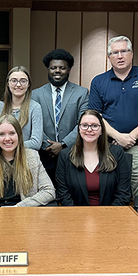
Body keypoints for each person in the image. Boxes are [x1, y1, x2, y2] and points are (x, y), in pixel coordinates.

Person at [89, 35, 138, 231]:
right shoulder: (99, 81)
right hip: (110, 150)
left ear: (132, 54)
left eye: (124, 51)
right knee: (110, 202)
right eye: (115, 53)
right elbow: (95, 115)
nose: (120, 56)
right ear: (109, 57)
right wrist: (119, 136)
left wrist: (131, 136)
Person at [31, 48, 89, 183]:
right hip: (44, 155)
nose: (57, 71)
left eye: (62, 68)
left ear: (69, 70)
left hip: (73, 154)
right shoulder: (35, 94)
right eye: (53, 68)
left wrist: (63, 145)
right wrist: (48, 145)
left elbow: (83, 123)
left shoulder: (81, 93)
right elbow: (34, 123)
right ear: (48, 69)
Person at [56, 110, 131, 206]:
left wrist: (109, 216)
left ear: (101, 131)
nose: (89, 129)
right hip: (76, 215)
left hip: (110, 215)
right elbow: (63, 193)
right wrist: (76, 216)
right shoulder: (65, 155)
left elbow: (123, 194)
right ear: (79, 129)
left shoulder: (117, 153)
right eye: (84, 125)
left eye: (95, 126)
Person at [0, 66, 42, 150]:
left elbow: (36, 142)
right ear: (8, 84)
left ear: (28, 84)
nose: (18, 85)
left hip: (25, 158)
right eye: (14, 81)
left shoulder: (35, 107)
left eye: (23, 81)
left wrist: (8, 145)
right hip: (1, 158)